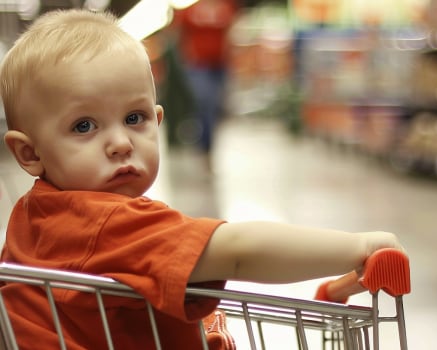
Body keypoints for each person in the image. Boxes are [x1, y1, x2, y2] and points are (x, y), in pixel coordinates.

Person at [0, 9, 404, 350]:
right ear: (30, 153)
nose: (121, 143)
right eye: (84, 125)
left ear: (158, 121)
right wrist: (357, 247)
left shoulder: (36, 215)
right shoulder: (100, 223)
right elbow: (239, 250)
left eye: (134, 118)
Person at [170, 0, 239, 158]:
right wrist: (186, 59)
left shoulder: (226, 6)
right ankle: (204, 146)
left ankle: (207, 144)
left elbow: (231, 32)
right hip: (198, 66)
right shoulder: (191, 9)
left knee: (215, 106)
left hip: (219, 66)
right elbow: (179, 34)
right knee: (204, 102)